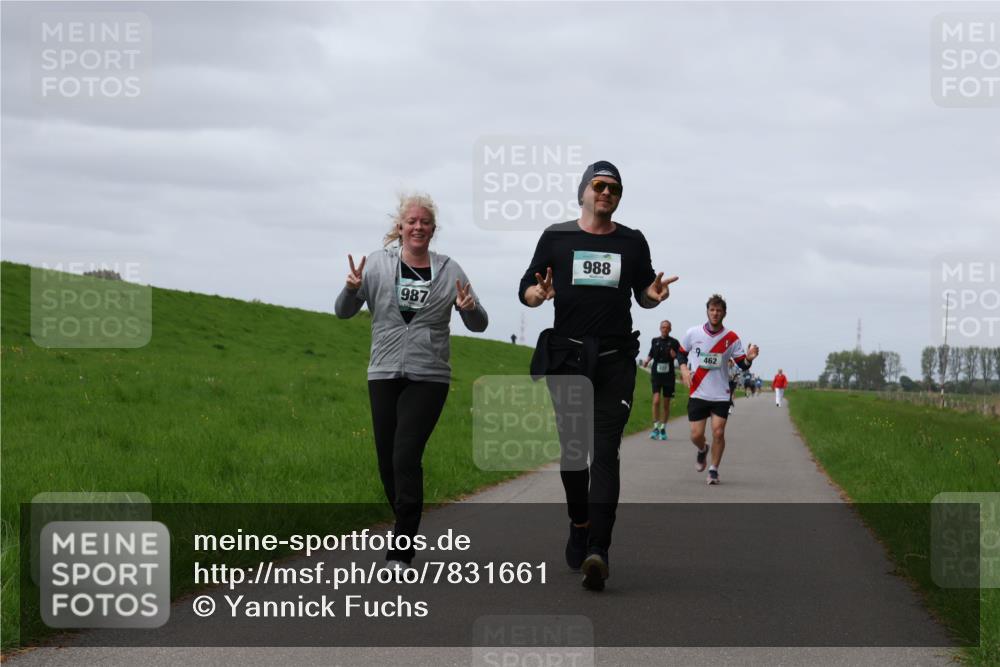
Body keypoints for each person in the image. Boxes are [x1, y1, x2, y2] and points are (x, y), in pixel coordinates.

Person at [519, 160, 676, 591]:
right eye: (600, 185)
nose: (608, 193)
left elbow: (644, 292)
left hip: (613, 360)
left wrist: (653, 295)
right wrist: (539, 293)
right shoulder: (557, 237)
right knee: (574, 452)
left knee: (604, 450)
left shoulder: (632, 241)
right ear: (584, 192)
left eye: (615, 189)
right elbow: (527, 290)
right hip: (568, 359)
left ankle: (598, 550)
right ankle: (580, 522)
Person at [336, 193, 488, 570]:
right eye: (411, 221)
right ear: (400, 227)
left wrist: (469, 309)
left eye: (425, 222)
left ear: (433, 230)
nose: (418, 227)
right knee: (387, 461)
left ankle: (401, 546)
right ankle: (405, 520)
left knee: (406, 454)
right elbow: (342, 311)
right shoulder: (376, 265)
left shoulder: (450, 270)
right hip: (383, 371)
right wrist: (352, 288)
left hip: (429, 374)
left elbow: (479, 321)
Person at [678, 294, 759, 486]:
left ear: (724, 313)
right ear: (707, 311)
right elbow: (681, 353)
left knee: (718, 432)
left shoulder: (731, 338)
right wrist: (683, 369)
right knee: (696, 435)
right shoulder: (693, 333)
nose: (715, 313)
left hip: (721, 394)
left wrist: (749, 358)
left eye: (719, 310)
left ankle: (713, 469)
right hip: (698, 391)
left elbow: (742, 364)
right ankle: (702, 449)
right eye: (712, 310)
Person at [642, 320, 680, 440]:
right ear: (660, 328)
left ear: (670, 329)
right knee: (656, 400)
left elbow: (679, 356)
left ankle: (662, 428)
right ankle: (655, 427)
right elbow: (651, 353)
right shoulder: (655, 340)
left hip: (668, 376)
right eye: (663, 327)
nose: (665, 329)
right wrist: (647, 360)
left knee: (666, 403)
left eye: (667, 327)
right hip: (656, 374)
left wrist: (675, 355)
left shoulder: (674, 342)